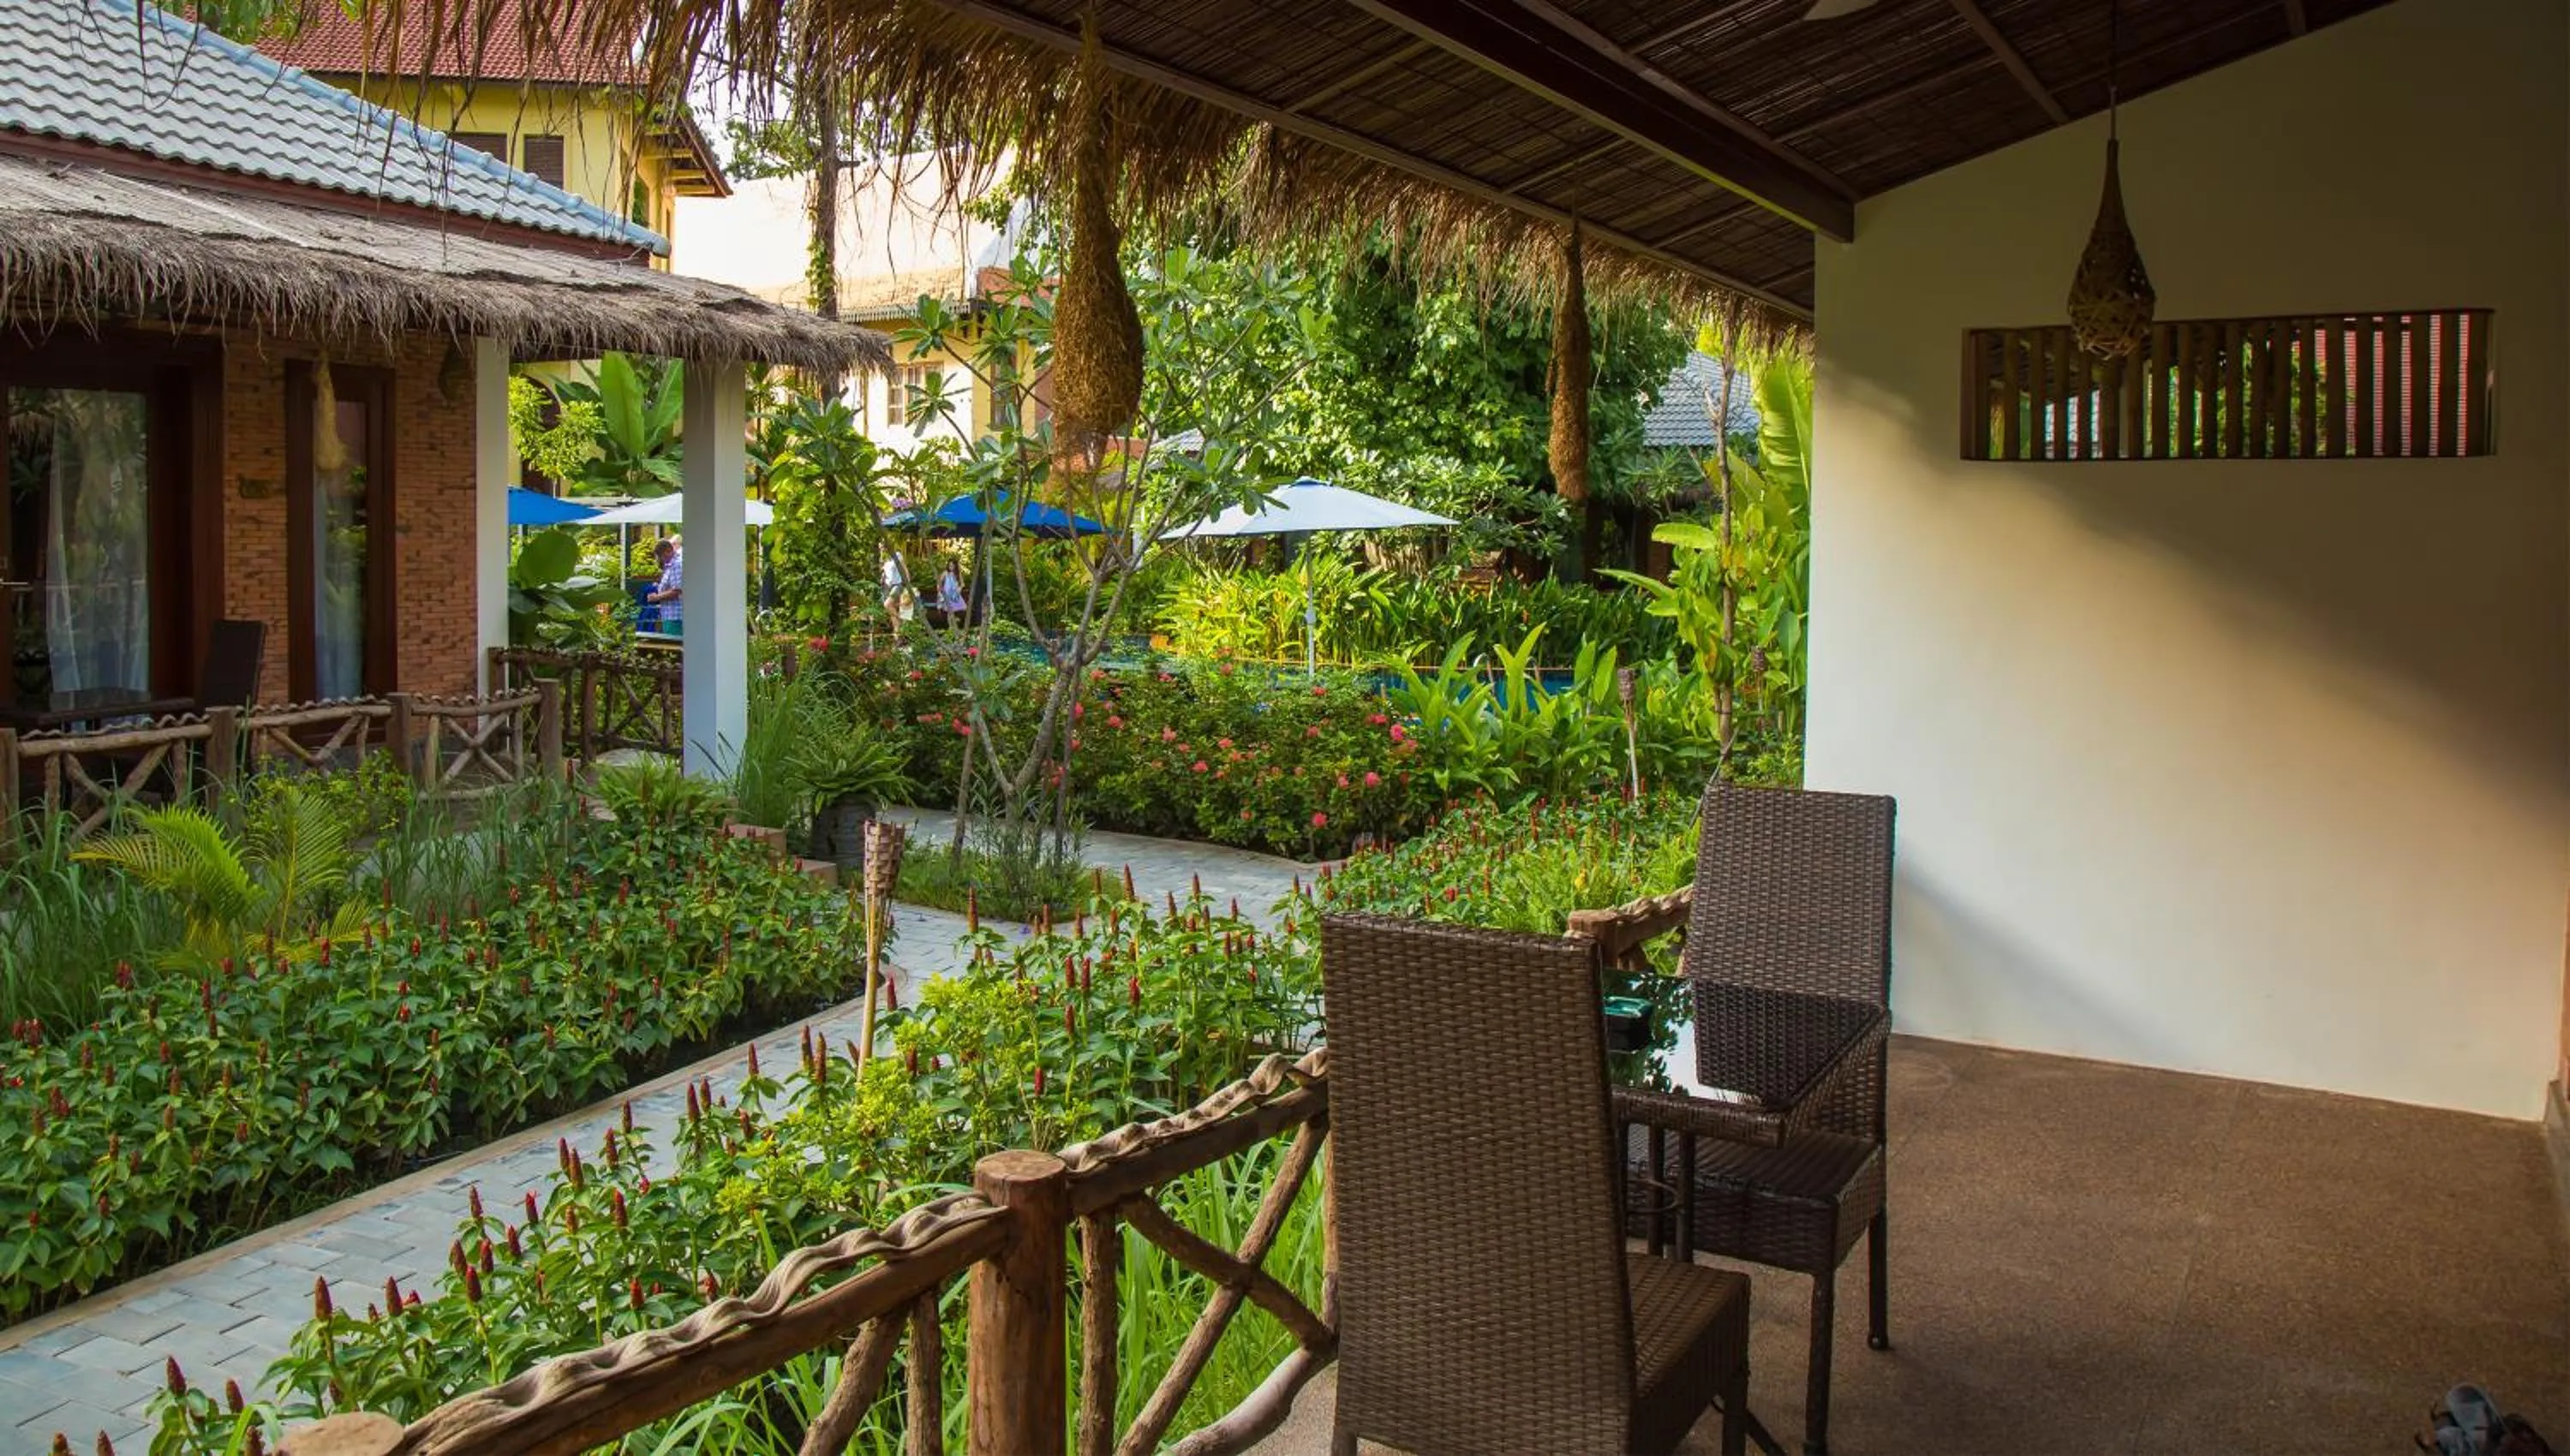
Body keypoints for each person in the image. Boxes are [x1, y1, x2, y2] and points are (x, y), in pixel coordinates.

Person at [646, 536, 683, 636]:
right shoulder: (670, 565)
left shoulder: (677, 565)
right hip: (669, 614)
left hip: (675, 615)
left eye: (661, 556)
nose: (661, 560)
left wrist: (656, 597)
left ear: (668, 551)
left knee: (675, 646)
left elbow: (677, 591)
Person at [881, 551, 914, 624]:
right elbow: (885, 571)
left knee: (887, 605)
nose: (881, 549)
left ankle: (902, 619)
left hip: (898, 584)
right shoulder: (883, 557)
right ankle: (897, 632)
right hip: (887, 585)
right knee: (891, 608)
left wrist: (908, 582)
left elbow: (904, 568)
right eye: (880, 547)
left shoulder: (896, 555)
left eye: (883, 546)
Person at [935, 563, 967, 628]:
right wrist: (939, 589)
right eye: (949, 565)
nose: (951, 567)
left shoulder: (958, 574)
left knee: (954, 611)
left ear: (955, 566)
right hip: (947, 594)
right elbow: (939, 582)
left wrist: (959, 588)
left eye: (953, 565)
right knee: (949, 611)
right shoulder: (945, 573)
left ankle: (954, 626)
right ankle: (951, 627)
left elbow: (962, 584)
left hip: (955, 594)